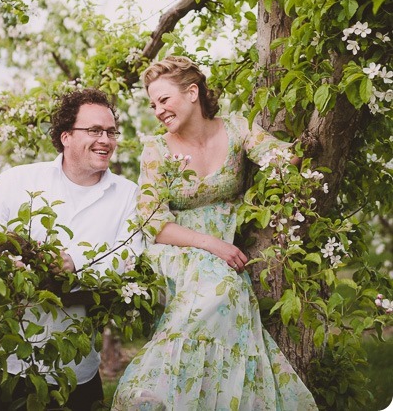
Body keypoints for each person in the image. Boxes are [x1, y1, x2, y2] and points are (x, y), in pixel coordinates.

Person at [112, 56, 318, 411]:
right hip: (177, 247)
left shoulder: (237, 128)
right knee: (219, 283)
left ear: (192, 92)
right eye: (152, 104)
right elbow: (152, 221)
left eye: (164, 99)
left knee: (227, 289)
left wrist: (308, 139)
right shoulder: (156, 150)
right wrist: (212, 244)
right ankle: (151, 391)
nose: (158, 110)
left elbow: (277, 158)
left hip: (223, 251)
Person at [0, 88, 142, 411]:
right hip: (4, 360)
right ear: (65, 136)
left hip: (75, 370)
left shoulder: (128, 195)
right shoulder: (18, 180)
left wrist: (75, 264)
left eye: (110, 131)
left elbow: (130, 260)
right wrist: (8, 260)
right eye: (94, 130)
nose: (105, 139)